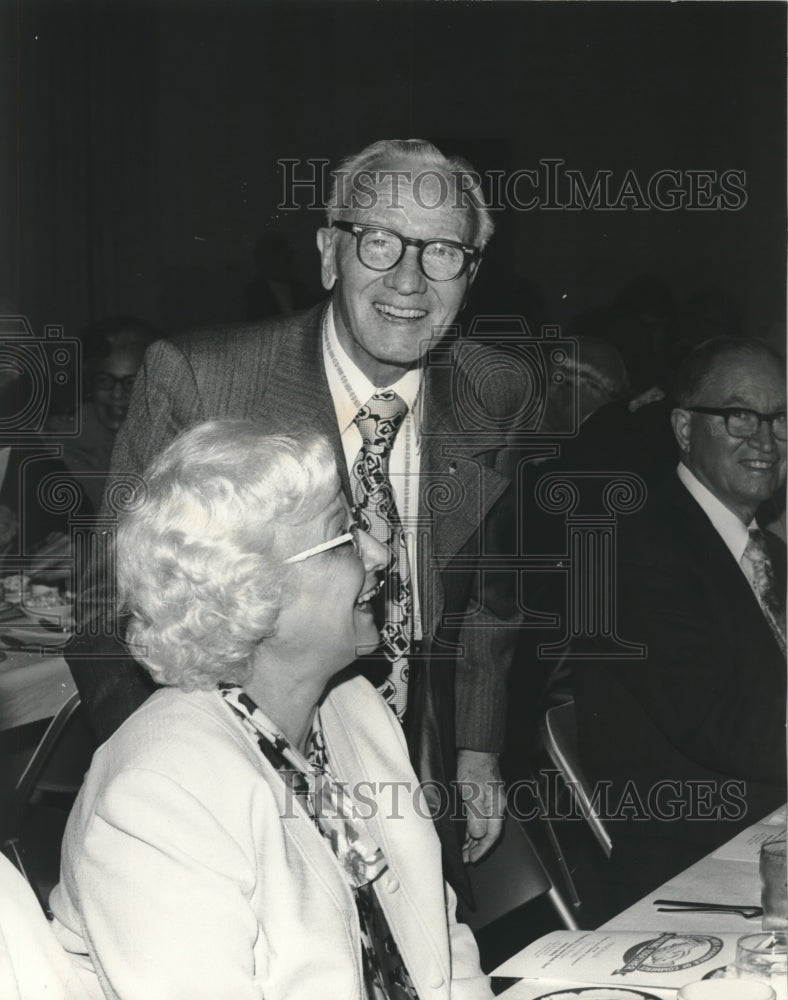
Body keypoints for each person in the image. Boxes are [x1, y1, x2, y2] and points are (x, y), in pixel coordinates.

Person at [66, 139, 527, 892]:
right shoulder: (203, 382)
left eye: (443, 251)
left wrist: (477, 747)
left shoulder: (495, 394)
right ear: (328, 254)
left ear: (470, 275)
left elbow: (488, 594)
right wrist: (175, 774)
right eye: (379, 242)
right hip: (229, 794)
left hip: (407, 775)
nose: (409, 279)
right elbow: (105, 605)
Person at [49, 421, 492, 1000]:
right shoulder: (159, 798)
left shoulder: (353, 708)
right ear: (253, 593)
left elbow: (437, 938)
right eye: (345, 535)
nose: (380, 550)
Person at [572, 336, 787, 905]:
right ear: (686, 429)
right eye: (739, 417)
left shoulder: (774, 556)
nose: (765, 440)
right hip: (695, 867)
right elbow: (722, 725)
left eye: (780, 419)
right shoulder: (633, 551)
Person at [48, 317, 160, 513]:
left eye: (131, 382)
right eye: (104, 380)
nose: (117, 394)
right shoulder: (57, 448)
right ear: (88, 382)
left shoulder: (163, 436)